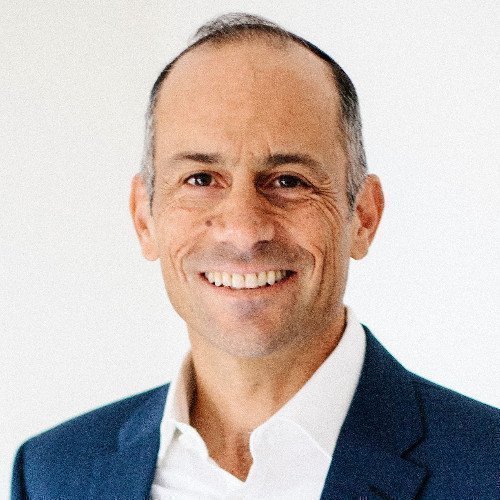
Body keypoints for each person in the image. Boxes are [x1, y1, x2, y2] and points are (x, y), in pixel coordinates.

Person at [12, 13, 498, 500]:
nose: (244, 231)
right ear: (145, 219)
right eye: (201, 179)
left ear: (364, 217)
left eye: (288, 180)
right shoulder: (53, 476)